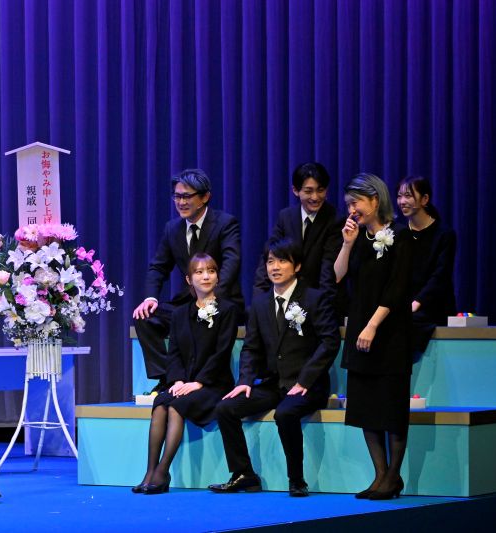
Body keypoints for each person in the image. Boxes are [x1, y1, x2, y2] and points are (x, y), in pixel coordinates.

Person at [209, 238, 339, 497]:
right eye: (270, 261)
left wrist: (305, 380)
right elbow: (251, 348)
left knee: (285, 414)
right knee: (225, 408)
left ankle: (297, 480)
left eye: (282, 261)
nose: (275, 267)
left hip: (306, 385)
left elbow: (330, 342)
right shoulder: (260, 304)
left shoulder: (314, 298)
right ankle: (244, 473)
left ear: (297, 266)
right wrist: (245, 381)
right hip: (272, 384)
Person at [333, 172, 413, 500]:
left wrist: (373, 325)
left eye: (356, 203)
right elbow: (337, 276)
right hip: (360, 331)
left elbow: (397, 288)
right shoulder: (356, 238)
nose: (352, 209)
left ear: (375, 200)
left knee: (391, 408)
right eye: (348, 204)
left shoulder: (401, 237)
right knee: (366, 408)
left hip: (389, 333)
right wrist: (347, 243)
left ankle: (394, 477)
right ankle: (380, 475)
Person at [133, 254, 239, 494]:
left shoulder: (228, 310)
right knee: (161, 402)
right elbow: (174, 353)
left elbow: (221, 353)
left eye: (211, 271)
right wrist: (179, 379)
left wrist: (199, 383)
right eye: (199, 272)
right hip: (186, 383)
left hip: (214, 385)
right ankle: (150, 472)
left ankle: (163, 471)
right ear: (189, 279)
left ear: (217, 276)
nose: (206, 276)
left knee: (176, 406)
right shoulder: (181, 313)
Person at [132, 169, 243, 386]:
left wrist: (213, 298)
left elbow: (232, 263)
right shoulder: (172, 228)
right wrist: (150, 298)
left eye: (186, 196)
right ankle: (168, 378)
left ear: (205, 197)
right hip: (189, 303)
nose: (181, 202)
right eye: (177, 196)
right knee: (144, 317)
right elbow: (158, 267)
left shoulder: (225, 223)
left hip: (222, 300)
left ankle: (204, 380)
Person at [252, 162, 348, 317]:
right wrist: (258, 301)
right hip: (288, 300)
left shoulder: (336, 219)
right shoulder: (285, 217)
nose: (315, 197)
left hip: (321, 304)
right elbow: (269, 255)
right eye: (308, 191)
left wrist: (321, 310)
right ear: (296, 190)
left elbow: (328, 271)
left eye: (320, 190)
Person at [396, 176, 457, 353]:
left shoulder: (444, 234)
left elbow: (440, 276)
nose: (402, 201)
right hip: (404, 305)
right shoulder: (398, 233)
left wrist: (417, 302)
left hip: (432, 306)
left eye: (408, 196)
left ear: (425, 199)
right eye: (399, 196)